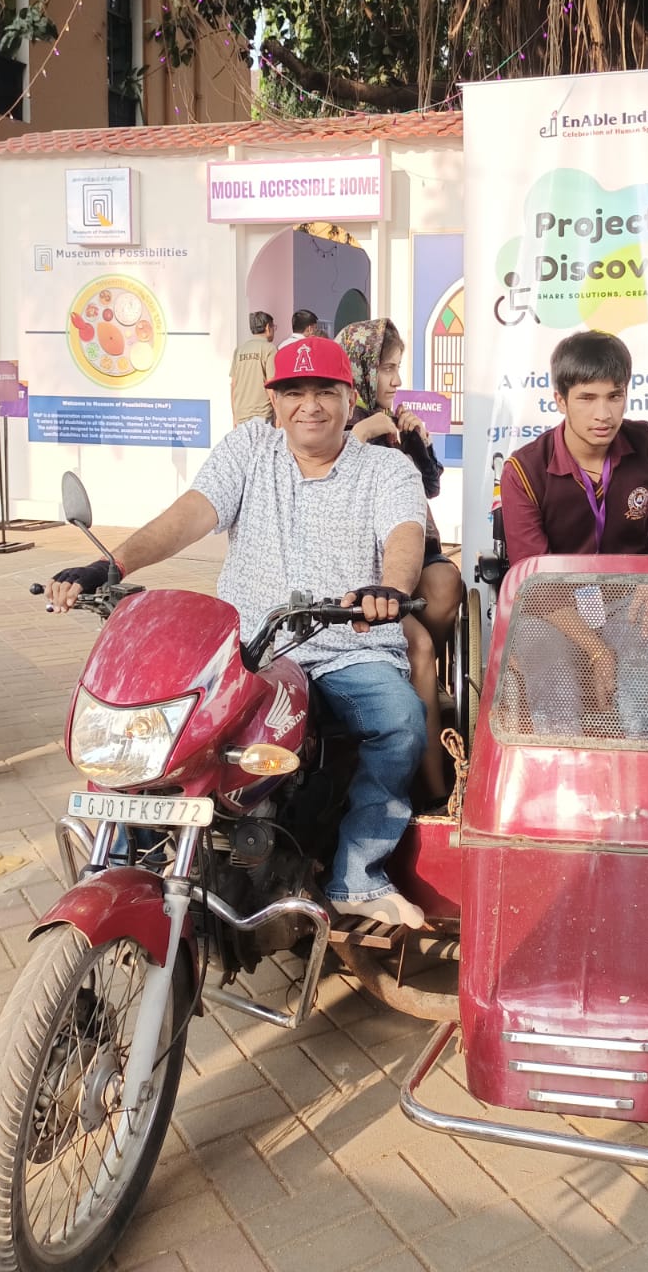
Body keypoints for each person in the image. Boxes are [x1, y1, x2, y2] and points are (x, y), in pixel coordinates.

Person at [47, 335, 431, 929]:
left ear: (349, 397)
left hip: (347, 645)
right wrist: (113, 565)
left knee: (399, 722)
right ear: (274, 401)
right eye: (294, 392)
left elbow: (405, 534)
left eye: (324, 392)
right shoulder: (250, 447)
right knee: (157, 726)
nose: (310, 406)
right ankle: (126, 859)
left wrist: (389, 589)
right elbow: (191, 513)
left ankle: (358, 873)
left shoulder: (386, 469)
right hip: (253, 649)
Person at [499, 331, 648, 732]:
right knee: (555, 687)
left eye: (614, 396)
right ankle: (562, 771)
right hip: (552, 611)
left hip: (630, 601)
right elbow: (536, 587)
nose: (603, 414)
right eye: (587, 398)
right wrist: (597, 650)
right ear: (560, 401)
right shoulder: (524, 470)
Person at [338, 317, 462, 803]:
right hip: (360, 560)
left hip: (413, 546)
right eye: (386, 368)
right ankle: (434, 786)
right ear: (361, 369)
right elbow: (324, 490)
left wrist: (419, 442)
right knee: (419, 647)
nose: (395, 379)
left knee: (446, 587)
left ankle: (423, 685)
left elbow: (428, 488)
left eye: (397, 368)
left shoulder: (393, 420)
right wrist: (359, 436)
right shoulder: (337, 424)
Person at [229, 311, 276, 426]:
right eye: (273, 327)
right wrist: (279, 413)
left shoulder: (239, 350)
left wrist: (234, 416)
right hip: (262, 414)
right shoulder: (269, 349)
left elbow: (233, 385)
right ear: (267, 327)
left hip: (241, 414)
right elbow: (271, 385)